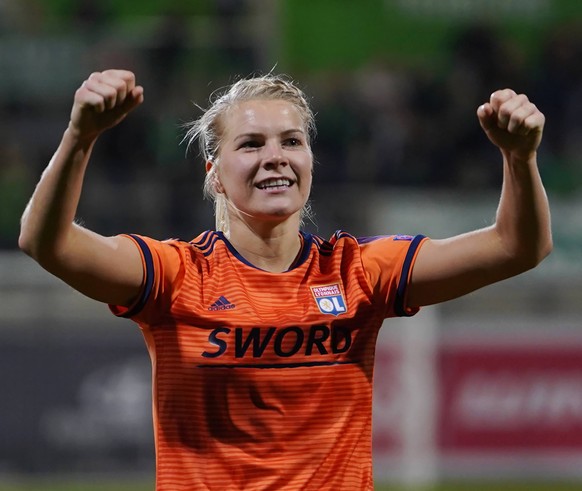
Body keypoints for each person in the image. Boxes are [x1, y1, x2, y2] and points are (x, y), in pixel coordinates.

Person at [18, 69, 552, 490]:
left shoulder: (358, 272)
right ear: (215, 173)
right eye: (250, 144)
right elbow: (48, 242)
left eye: (291, 141)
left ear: (310, 159)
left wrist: (519, 158)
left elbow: (517, 247)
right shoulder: (176, 276)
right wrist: (80, 137)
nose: (275, 157)